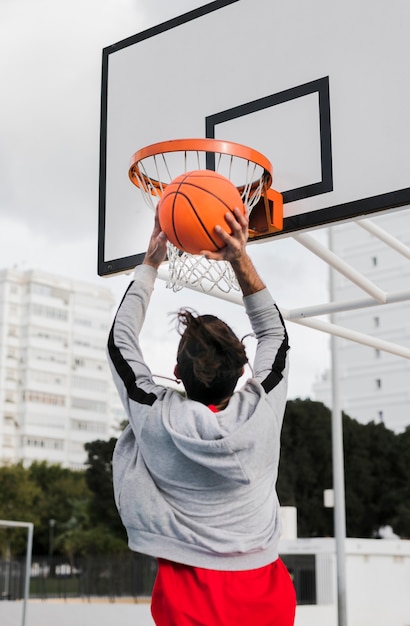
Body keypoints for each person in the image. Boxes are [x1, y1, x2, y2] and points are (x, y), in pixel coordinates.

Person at [107, 206, 296, 625]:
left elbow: (121, 342)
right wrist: (238, 257)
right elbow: (275, 334)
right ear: (243, 372)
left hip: (188, 602)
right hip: (266, 598)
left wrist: (151, 262)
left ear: (176, 374)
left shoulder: (157, 418)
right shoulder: (262, 411)